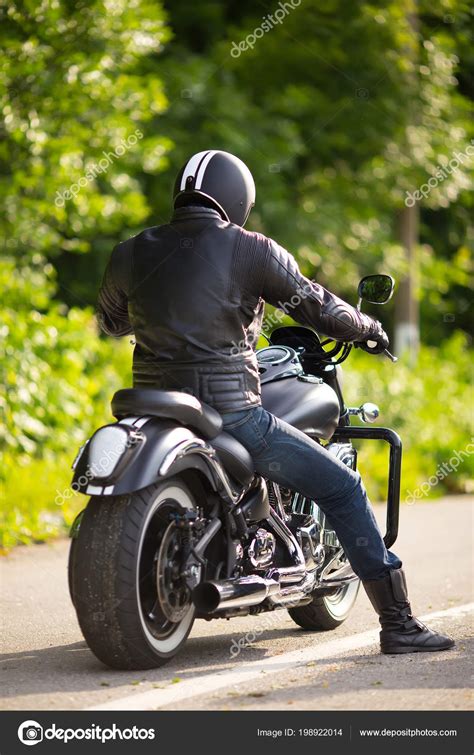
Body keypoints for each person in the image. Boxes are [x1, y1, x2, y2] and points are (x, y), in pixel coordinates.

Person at [98, 149, 453, 655]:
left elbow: (112, 321)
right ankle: (399, 625)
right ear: (237, 198)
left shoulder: (131, 251)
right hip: (232, 417)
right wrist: (370, 328)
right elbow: (314, 305)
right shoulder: (249, 248)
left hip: (151, 409)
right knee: (344, 486)